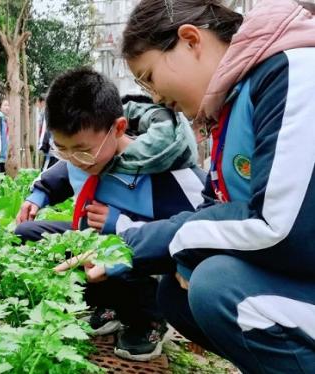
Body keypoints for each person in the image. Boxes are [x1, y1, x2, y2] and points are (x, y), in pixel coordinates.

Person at [57, 1, 315, 372]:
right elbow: (215, 207)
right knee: (176, 293)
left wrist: (133, 246)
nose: (156, 98)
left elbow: (281, 227)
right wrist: (140, 250)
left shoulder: (292, 71)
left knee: (215, 286)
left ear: (191, 40)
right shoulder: (232, 106)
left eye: (149, 76)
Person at [16, 68, 206, 361]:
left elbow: (194, 227)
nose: (72, 160)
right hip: (94, 242)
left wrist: (120, 224)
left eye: (80, 150)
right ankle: (111, 307)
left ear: (118, 129)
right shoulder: (81, 158)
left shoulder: (165, 171)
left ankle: (150, 321)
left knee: (115, 249)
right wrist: (38, 195)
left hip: (143, 255)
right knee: (30, 236)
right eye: (62, 149)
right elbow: (62, 173)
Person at [36, 94, 58, 171]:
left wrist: (42, 146)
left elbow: (44, 130)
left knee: (45, 173)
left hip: (51, 149)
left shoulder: (46, 111)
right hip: (57, 149)